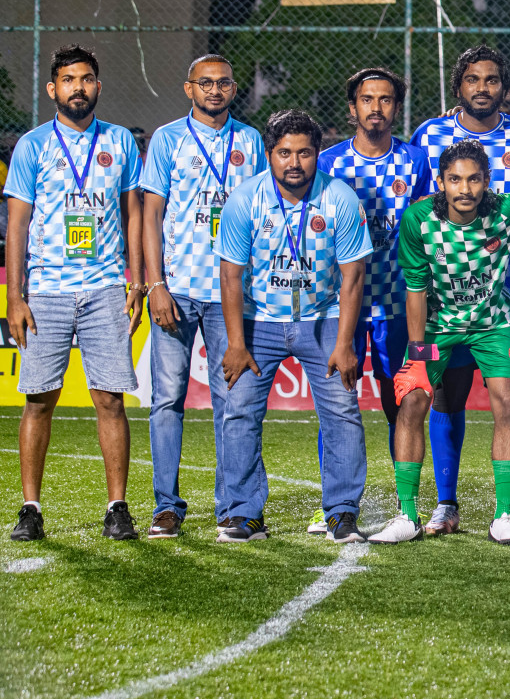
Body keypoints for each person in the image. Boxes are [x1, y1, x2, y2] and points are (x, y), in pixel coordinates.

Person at [373, 142, 510, 545]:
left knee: (508, 400)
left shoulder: (508, 209)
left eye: (473, 179)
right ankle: (407, 515)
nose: (464, 188)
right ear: (440, 182)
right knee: (412, 399)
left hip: (492, 324)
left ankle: (503, 515)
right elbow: (414, 289)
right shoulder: (417, 220)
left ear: (487, 181)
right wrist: (416, 355)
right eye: (454, 179)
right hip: (437, 325)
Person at [412, 46, 510, 537]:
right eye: (473, 79)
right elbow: (418, 208)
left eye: (492, 80)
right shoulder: (428, 136)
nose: (482, 88)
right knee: (446, 397)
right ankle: (446, 504)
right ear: (459, 86)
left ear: (504, 87)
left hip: (509, 293)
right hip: (444, 301)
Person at [6, 45, 145, 543]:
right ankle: (30, 508)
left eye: (86, 79)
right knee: (38, 400)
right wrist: (14, 296)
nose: (78, 88)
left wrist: (138, 280)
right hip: (45, 290)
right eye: (69, 80)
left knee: (109, 398)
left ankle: (117, 507)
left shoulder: (121, 142)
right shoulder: (32, 146)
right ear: (53, 89)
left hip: (106, 287)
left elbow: (133, 215)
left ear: (98, 87)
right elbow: (17, 225)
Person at [215, 109, 372, 544]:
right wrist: (235, 343)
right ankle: (245, 514)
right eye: (284, 152)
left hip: (322, 320)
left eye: (304, 152)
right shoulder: (245, 199)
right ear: (269, 154)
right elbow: (230, 274)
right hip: (257, 321)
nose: (294, 162)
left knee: (341, 411)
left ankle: (341, 512)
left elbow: (352, 276)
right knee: (240, 412)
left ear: (317, 154)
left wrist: (344, 343)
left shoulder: (339, 198)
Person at [140, 54, 264, 539]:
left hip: (232, 295)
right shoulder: (168, 139)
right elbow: (151, 215)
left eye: (224, 83)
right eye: (205, 83)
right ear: (189, 88)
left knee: (233, 402)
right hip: (177, 290)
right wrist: (155, 284)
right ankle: (166, 506)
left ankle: (234, 507)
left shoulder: (250, 141)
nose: (215, 90)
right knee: (167, 399)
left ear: (234, 89)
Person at [316, 68, 431, 532]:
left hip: (398, 303)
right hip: (340, 304)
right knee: (335, 406)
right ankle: (335, 504)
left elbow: (430, 223)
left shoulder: (418, 161)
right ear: (352, 107)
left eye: (385, 100)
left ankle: (407, 506)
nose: (376, 108)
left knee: (398, 404)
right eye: (367, 99)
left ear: (396, 108)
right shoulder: (326, 162)